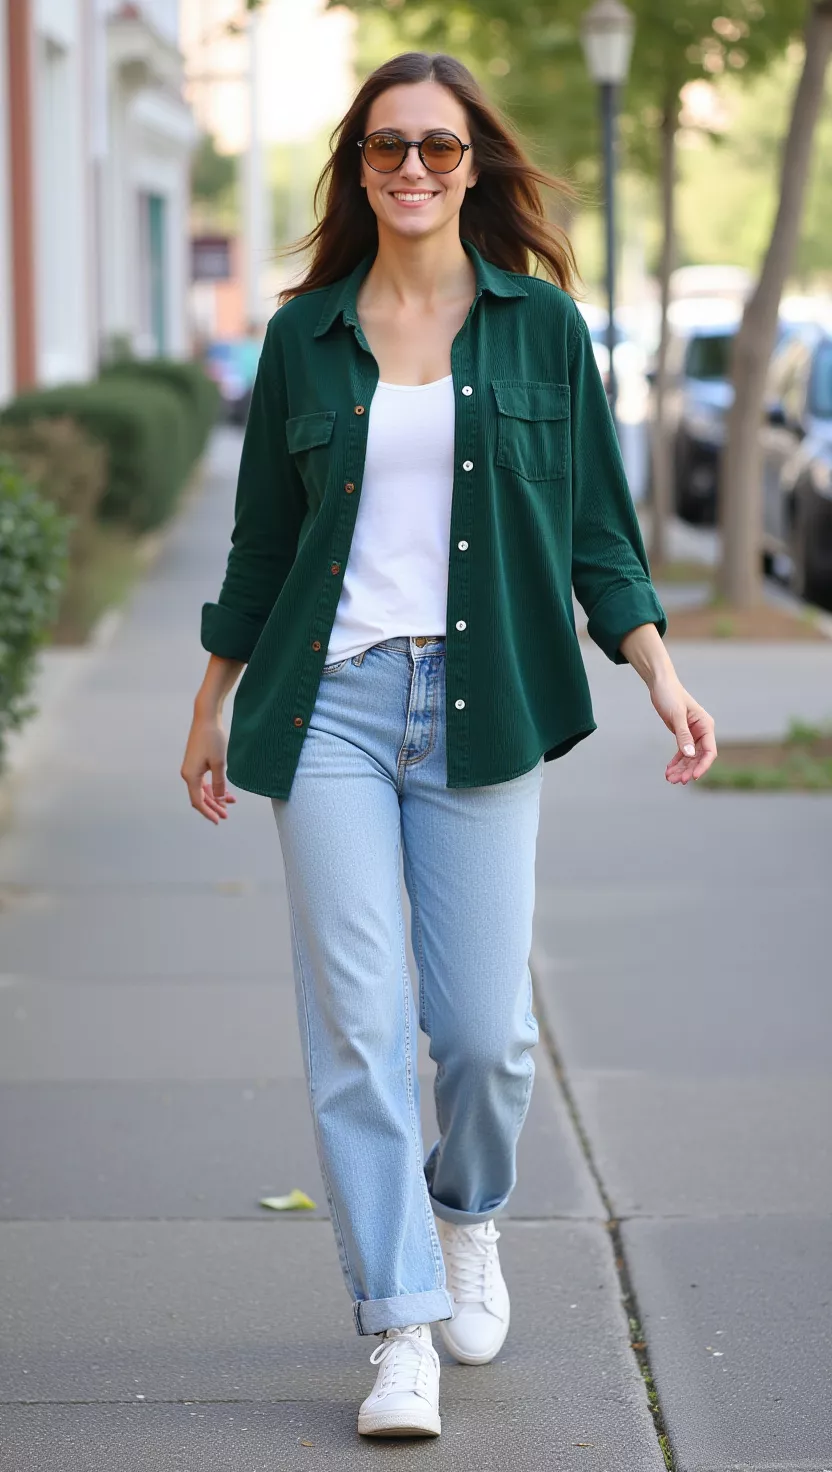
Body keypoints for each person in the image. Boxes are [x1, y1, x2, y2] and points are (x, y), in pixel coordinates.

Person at [181, 51, 717, 1442]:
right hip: (332, 707)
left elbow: (599, 532)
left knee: (484, 1037)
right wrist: (211, 699)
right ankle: (400, 1324)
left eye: (436, 146)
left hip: (484, 700)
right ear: (357, 169)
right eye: (386, 148)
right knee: (358, 1031)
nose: (411, 168)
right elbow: (263, 545)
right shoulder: (304, 338)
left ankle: (466, 1216)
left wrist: (660, 673)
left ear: (476, 163)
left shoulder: (542, 331)